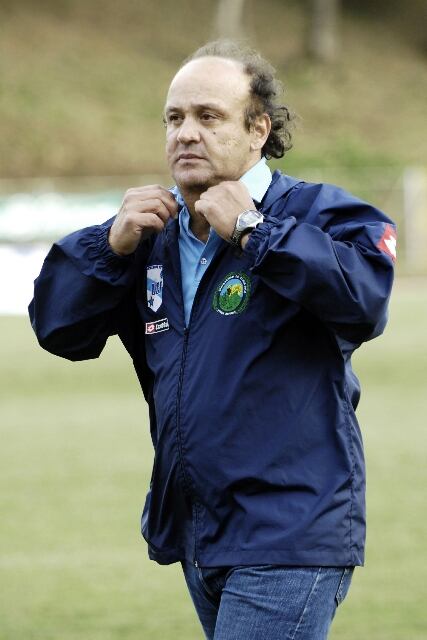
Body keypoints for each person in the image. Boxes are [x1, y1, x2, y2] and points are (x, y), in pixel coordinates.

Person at [29, 40, 396, 640]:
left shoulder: (315, 214)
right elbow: (58, 329)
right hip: (199, 535)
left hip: (288, 533)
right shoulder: (149, 234)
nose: (186, 134)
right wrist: (109, 248)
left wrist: (255, 230)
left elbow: (365, 300)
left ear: (258, 129)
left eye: (208, 116)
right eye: (174, 118)